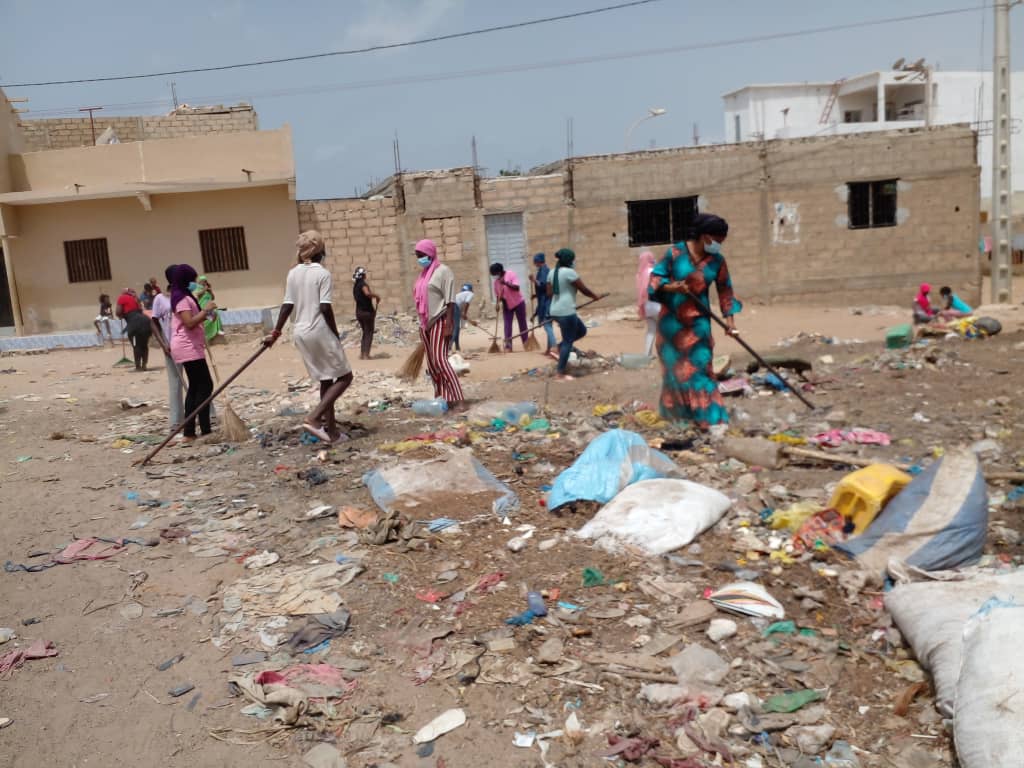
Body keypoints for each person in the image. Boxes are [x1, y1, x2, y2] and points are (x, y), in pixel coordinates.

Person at [649, 213, 742, 431]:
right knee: (674, 373)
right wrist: (672, 287)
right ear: (704, 236)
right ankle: (680, 419)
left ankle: (711, 419)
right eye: (716, 240)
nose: (718, 245)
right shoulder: (675, 253)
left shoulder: (717, 261)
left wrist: (730, 322)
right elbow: (656, 279)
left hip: (698, 325)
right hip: (671, 325)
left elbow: (725, 291)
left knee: (701, 369)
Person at [264, 230, 354, 443]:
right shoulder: (322, 274)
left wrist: (275, 333)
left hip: (300, 332)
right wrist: (335, 333)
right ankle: (314, 418)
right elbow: (325, 307)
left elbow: (287, 305)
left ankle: (332, 432)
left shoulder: (293, 273)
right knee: (345, 377)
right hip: (319, 330)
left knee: (326, 379)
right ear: (321, 250)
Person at [413, 238, 464, 408]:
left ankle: (459, 398)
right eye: (417, 256)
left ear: (430, 253)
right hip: (425, 324)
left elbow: (450, 300)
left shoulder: (443, 271)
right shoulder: (423, 275)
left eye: (421, 255)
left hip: (440, 320)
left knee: (441, 361)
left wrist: (449, 324)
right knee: (432, 365)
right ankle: (443, 398)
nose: (420, 259)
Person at [169, 264, 216, 442]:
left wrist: (210, 314)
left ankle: (194, 431)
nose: (194, 283)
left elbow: (198, 318)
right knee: (205, 385)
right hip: (187, 346)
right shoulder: (181, 298)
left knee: (196, 387)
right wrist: (206, 310)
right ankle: (199, 429)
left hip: (193, 345)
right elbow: (189, 323)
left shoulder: (187, 296)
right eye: (192, 280)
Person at [547, 248, 603, 381]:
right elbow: (583, 289)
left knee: (582, 330)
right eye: (573, 260)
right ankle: (560, 373)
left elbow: (549, 294)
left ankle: (557, 348)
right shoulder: (570, 273)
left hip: (555, 310)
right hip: (566, 311)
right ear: (569, 260)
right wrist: (595, 296)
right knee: (568, 341)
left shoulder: (551, 272)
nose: (574, 262)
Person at [150, 266, 186, 429]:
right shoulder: (160, 299)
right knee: (175, 382)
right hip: (170, 344)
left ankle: (207, 415)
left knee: (198, 381)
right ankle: (176, 421)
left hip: (187, 343)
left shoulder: (185, 295)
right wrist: (163, 344)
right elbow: (153, 322)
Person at [490, 262, 528, 351]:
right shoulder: (496, 282)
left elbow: (517, 288)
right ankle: (508, 346)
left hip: (518, 302)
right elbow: (498, 295)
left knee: (522, 323)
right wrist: (497, 304)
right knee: (507, 325)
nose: (494, 276)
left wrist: (506, 283)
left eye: (494, 274)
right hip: (507, 305)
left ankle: (526, 343)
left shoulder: (510, 274)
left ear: (499, 272)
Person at [115, 287, 152, 371]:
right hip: (145, 321)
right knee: (144, 345)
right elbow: (141, 309)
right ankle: (144, 365)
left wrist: (121, 315)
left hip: (134, 323)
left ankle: (138, 366)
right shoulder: (135, 298)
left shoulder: (122, 297)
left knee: (136, 345)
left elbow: (118, 312)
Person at [531, 253, 558, 359]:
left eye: (535, 262)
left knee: (547, 325)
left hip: (546, 302)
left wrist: (534, 280)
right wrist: (535, 295)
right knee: (548, 325)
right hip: (544, 300)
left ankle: (554, 348)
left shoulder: (544, 271)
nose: (534, 264)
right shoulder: (543, 270)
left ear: (538, 262)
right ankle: (549, 349)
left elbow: (543, 286)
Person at [352, 266, 380, 360]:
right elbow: (367, 293)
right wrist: (376, 296)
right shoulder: (363, 284)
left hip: (359, 312)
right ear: (363, 275)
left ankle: (362, 353)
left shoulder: (355, 286)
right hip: (367, 313)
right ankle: (366, 355)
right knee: (369, 333)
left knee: (365, 332)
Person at [636, 250, 660, 357]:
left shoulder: (640, 274)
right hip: (656, 304)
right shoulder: (652, 271)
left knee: (651, 330)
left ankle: (647, 354)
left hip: (646, 306)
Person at [194, 276, 224, 344]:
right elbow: (198, 295)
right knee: (205, 321)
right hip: (202, 307)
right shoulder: (198, 288)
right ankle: (206, 336)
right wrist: (204, 289)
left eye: (205, 281)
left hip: (209, 307)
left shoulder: (207, 288)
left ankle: (217, 331)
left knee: (215, 314)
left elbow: (213, 298)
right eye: (203, 281)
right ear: (200, 281)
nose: (204, 282)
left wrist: (210, 291)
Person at [452, 283, 474, 352]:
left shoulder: (460, 295)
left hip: (452, 307)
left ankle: (457, 347)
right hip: (455, 307)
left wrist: (463, 314)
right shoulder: (470, 293)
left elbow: (461, 308)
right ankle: (449, 346)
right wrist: (464, 313)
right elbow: (467, 303)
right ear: (470, 289)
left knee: (457, 328)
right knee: (456, 328)